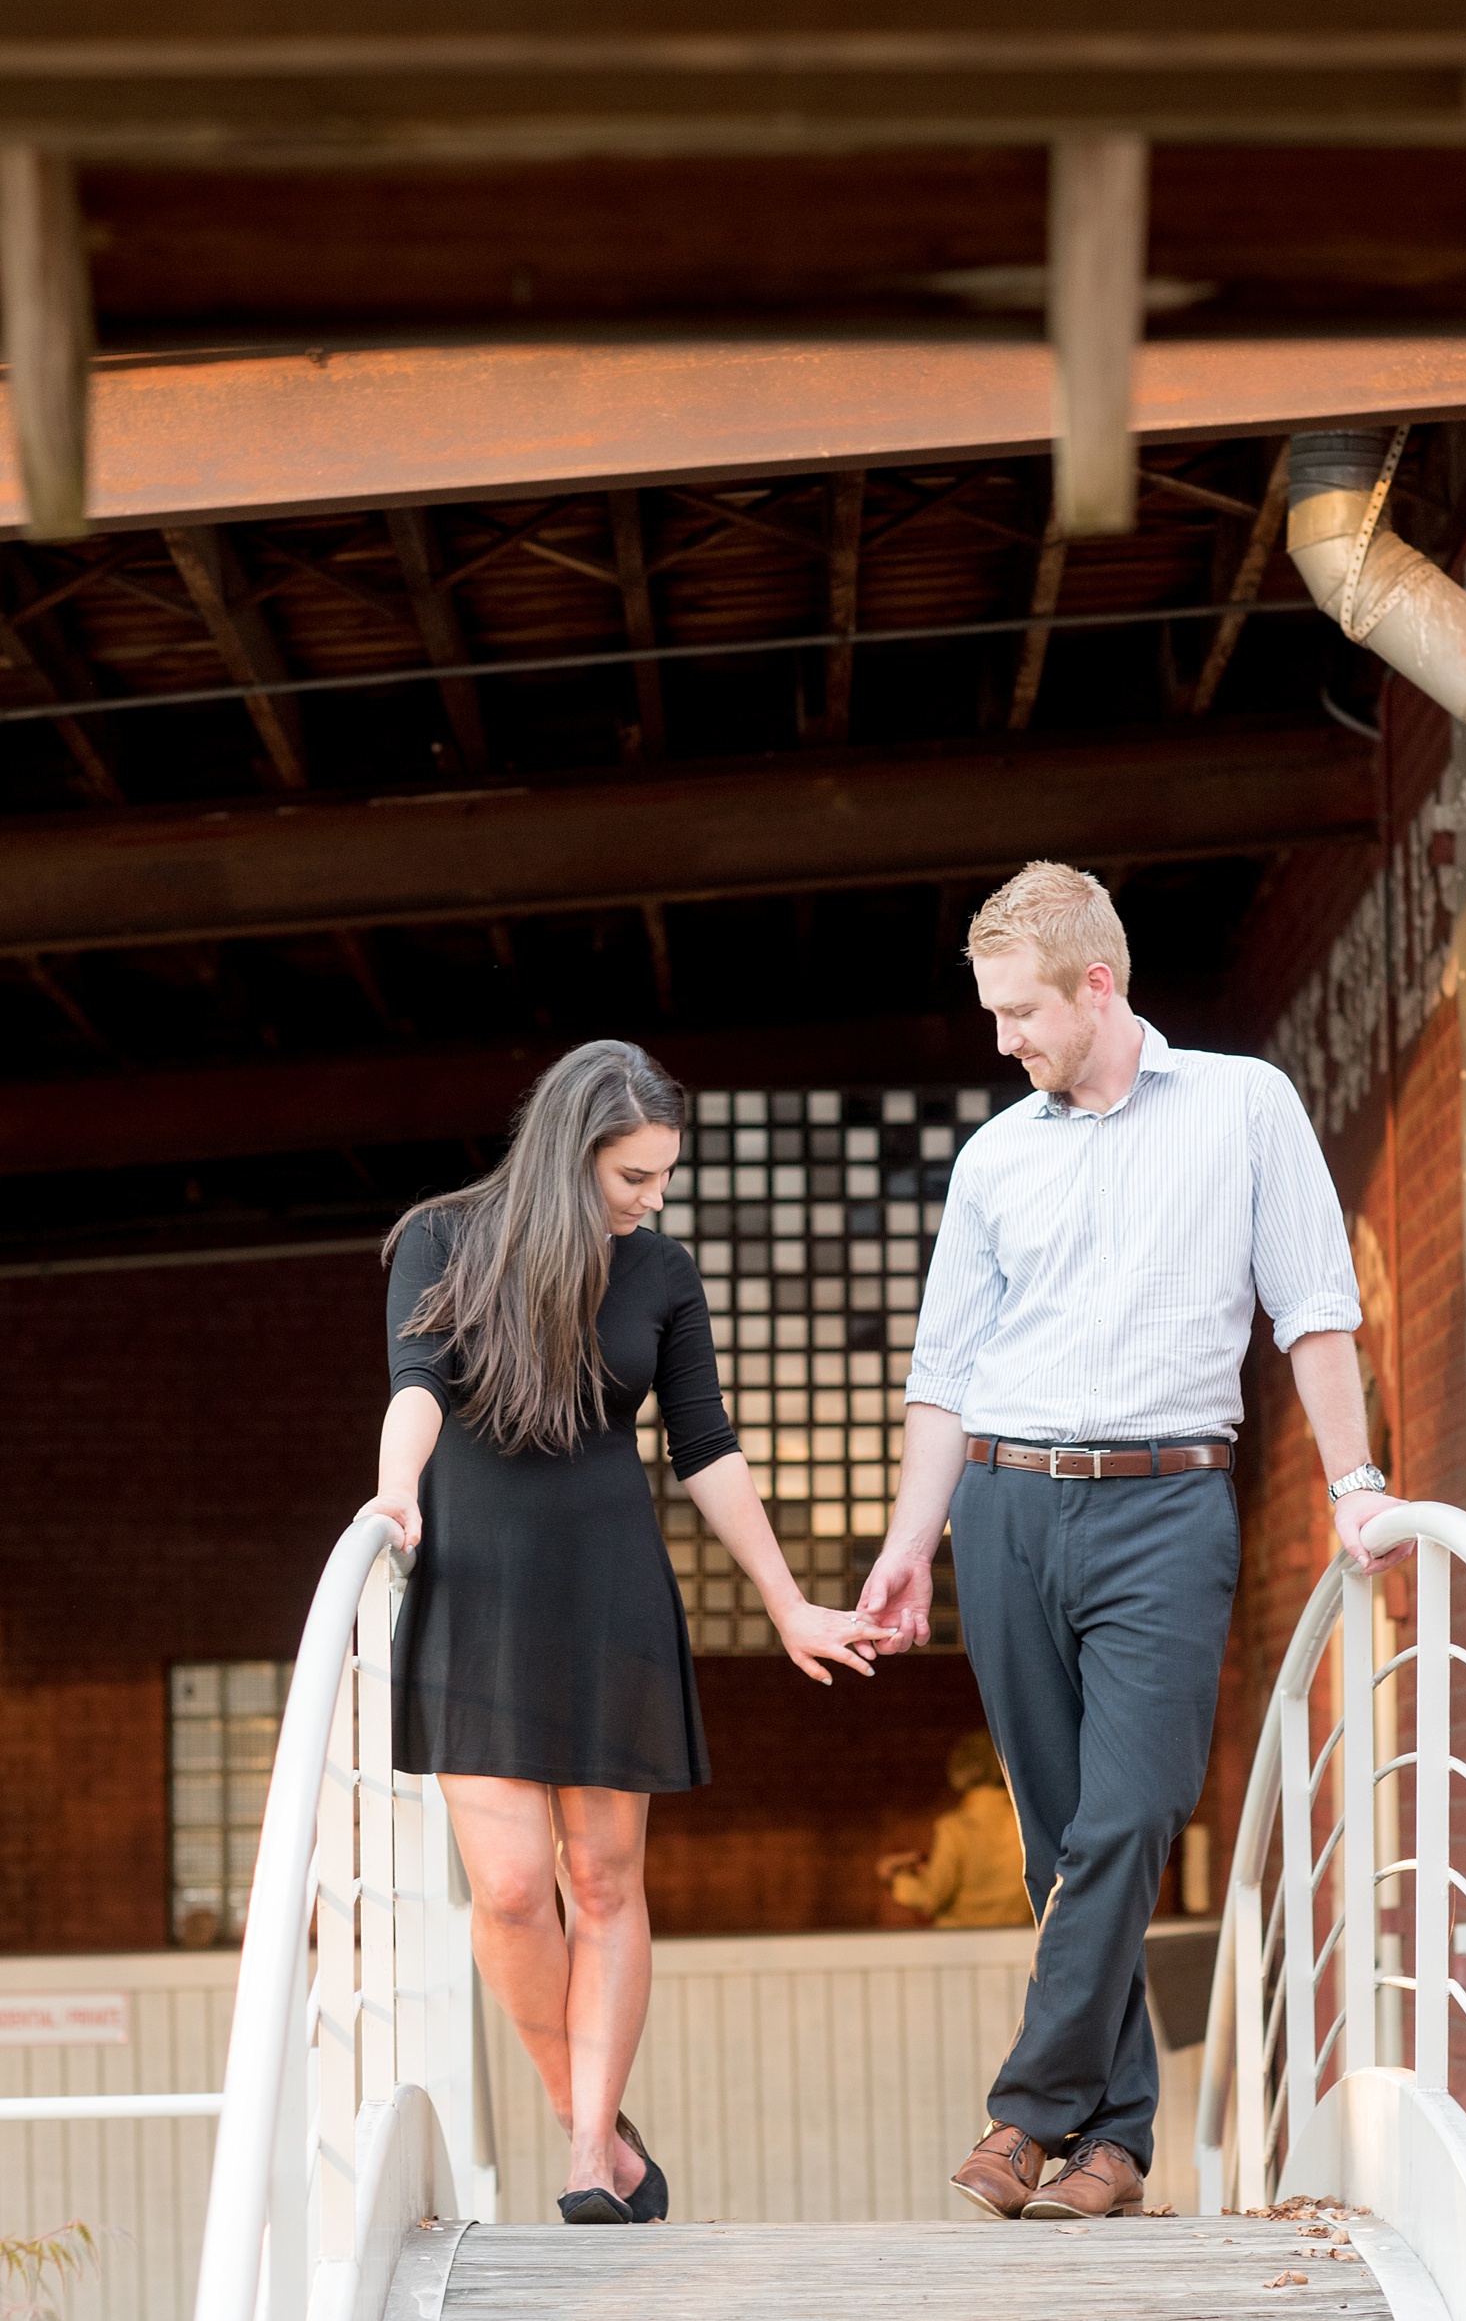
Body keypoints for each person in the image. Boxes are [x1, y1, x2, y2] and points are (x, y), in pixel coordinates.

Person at [858, 862, 1402, 2223]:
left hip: (1167, 1504)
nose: (1004, 1040)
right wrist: (914, 1540)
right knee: (1058, 1841)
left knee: (1132, 1814)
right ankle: (1115, 2147)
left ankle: (1026, 2112)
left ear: (1097, 985)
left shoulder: (1244, 1106)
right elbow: (945, 1372)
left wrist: (1359, 1484)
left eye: (1021, 1011)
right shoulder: (997, 1157)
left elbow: (1316, 1310)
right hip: (1006, 1505)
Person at [359, 1040, 890, 2225]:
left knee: (600, 1877)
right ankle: (588, 2121)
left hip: (609, 1589)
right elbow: (417, 1382)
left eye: (661, 1177)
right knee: (505, 1888)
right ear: (567, 1154)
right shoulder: (442, 1238)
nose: (651, 1200)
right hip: (476, 1583)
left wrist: (786, 1598)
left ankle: (589, 2157)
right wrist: (396, 1489)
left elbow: (704, 1445)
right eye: (631, 1178)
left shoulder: (659, 1270)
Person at [876, 1730, 1032, 1928]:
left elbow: (929, 1897)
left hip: (961, 1945)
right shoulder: (1026, 1825)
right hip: (1019, 1943)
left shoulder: (954, 1828)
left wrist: (893, 1877)